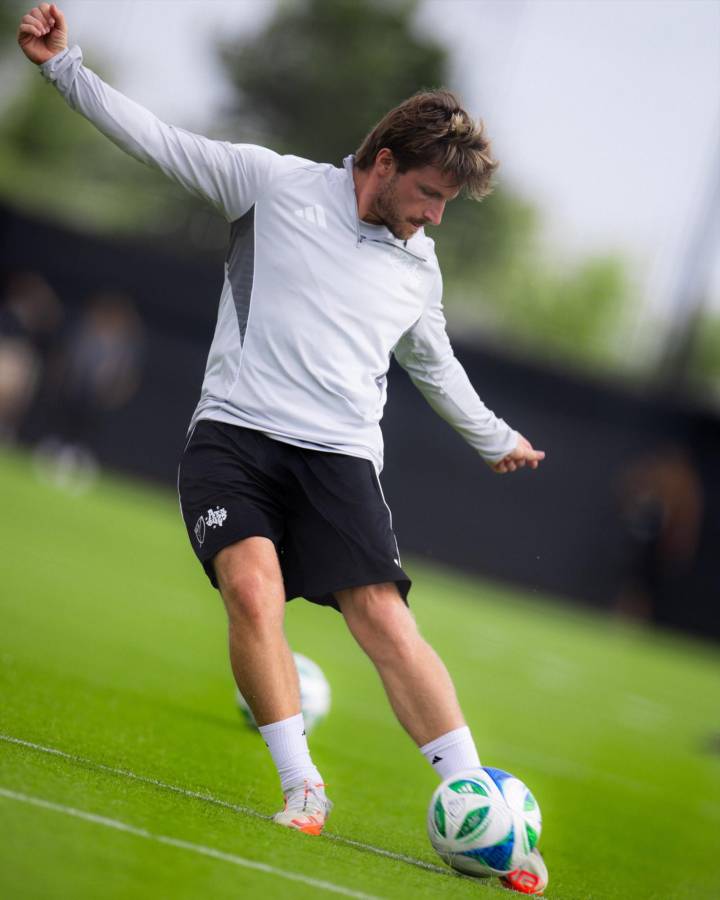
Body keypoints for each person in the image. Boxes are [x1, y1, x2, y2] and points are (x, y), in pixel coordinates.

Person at [18, 4, 545, 837]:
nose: (435, 216)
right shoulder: (271, 184)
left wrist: (494, 436)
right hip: (235, 438)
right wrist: (62, 67)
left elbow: (431, 360)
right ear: (382, 161)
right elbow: (158, 140)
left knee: (384, 618)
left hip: (339, 461)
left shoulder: (420, 265)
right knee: (253, 590)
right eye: (429, 194)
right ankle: (303, 787)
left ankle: (478, 802)